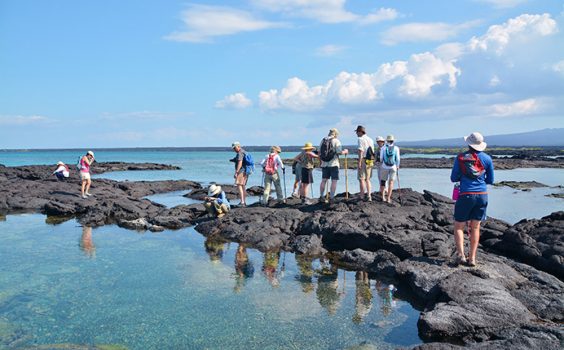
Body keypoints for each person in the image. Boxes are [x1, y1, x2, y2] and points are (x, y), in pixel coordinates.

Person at [450, 132, 494, 267]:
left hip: (465, 195)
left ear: (468, 144)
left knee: (459, 226)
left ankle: (461, 255)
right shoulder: (487, 159)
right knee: (475, 227)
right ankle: (472, 258)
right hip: (482, 195)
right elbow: (490, 180)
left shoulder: (461, 158)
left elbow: (453, 178)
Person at [319, 128, 349, 203]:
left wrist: (321, 162)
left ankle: (321, 196)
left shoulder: (323, 140)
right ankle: (332, 198)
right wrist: (345, 151)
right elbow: (339, 152)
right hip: (334, 164)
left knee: (324, 180)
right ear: (336, 134)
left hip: (324, 164)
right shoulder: (336, 141)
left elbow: (319, 152)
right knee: (334, 181)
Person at [355, 126, 375, 201]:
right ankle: (369, 195)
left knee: (361, 179)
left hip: (363, 159)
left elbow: (361, 151)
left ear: (360, 132)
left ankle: (362, 196)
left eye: (357, 132)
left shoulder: (360, 139)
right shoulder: (370, 139)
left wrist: (359, 162)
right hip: (370, 160)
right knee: (368, 179)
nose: (356, 133)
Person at [379, 135, 400, 203]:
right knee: (391, 183)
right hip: (393, 167)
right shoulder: (396, 148)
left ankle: (382, 197)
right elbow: (398, 159)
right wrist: (397, 166)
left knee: (383, 182)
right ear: (393, 141)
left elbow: (381, 158)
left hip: (384, 167)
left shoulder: (383, 148)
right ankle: (388, 198)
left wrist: (381, 163)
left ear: (386, 141)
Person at [230, 142, 250, 207]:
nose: (234, 150)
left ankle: (242, 202)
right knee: (243, 186)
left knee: (239, 185)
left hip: (241, 171)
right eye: (233, 148)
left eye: (235, 148)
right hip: (246, 171)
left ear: (238, 146)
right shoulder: (244, 152)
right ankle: (244, 202)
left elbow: (240, 162)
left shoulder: (240, 153)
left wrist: (236, 172)